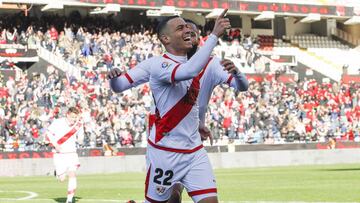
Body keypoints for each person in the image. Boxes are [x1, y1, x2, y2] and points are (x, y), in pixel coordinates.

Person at [46, 107, 83, 203]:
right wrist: (55, 144)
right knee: (62, 178)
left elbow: (81, 137)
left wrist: (80, 139)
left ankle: (69, 199)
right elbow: (48, 133)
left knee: (72, 173)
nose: (74, 119)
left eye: (75, 117)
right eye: (72, 117)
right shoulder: (58, 122)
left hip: (71, 153)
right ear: (67, 115)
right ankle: (57, 173)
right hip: (59, 154)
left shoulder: (78, 125)